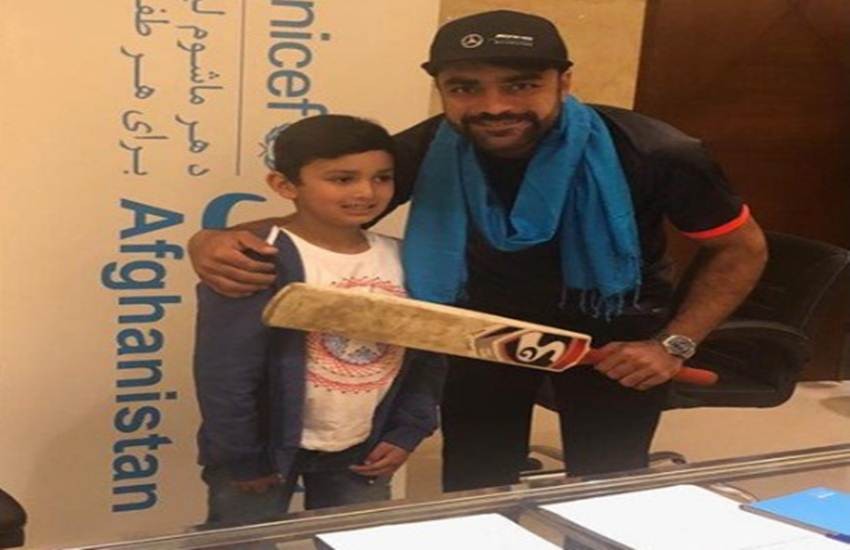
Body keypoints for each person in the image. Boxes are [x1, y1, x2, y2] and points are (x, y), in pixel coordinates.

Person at [189, 11, 768, 492]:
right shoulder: (430, 146)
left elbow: (741, 249)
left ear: (563, 82)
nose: (493, 106)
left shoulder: (655, 151)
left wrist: (672, 344)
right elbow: (319, 214)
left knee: (606, 489)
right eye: (466, 87)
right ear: (443, 90)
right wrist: (210, 240)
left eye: (520, 85)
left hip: (616, 340)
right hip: (481, 334)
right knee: (475, 487)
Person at [193, 114, 445, 526]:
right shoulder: (254, 259)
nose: (366, 192)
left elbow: (429, 353)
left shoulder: (407, 257)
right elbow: (224, 368)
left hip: (364, 446)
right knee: (243, 540)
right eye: (342, 179)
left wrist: (407, 431)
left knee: (354, 539)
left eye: (382, 178)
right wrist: (241, 454)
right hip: (263, 450)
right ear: (285, 185)